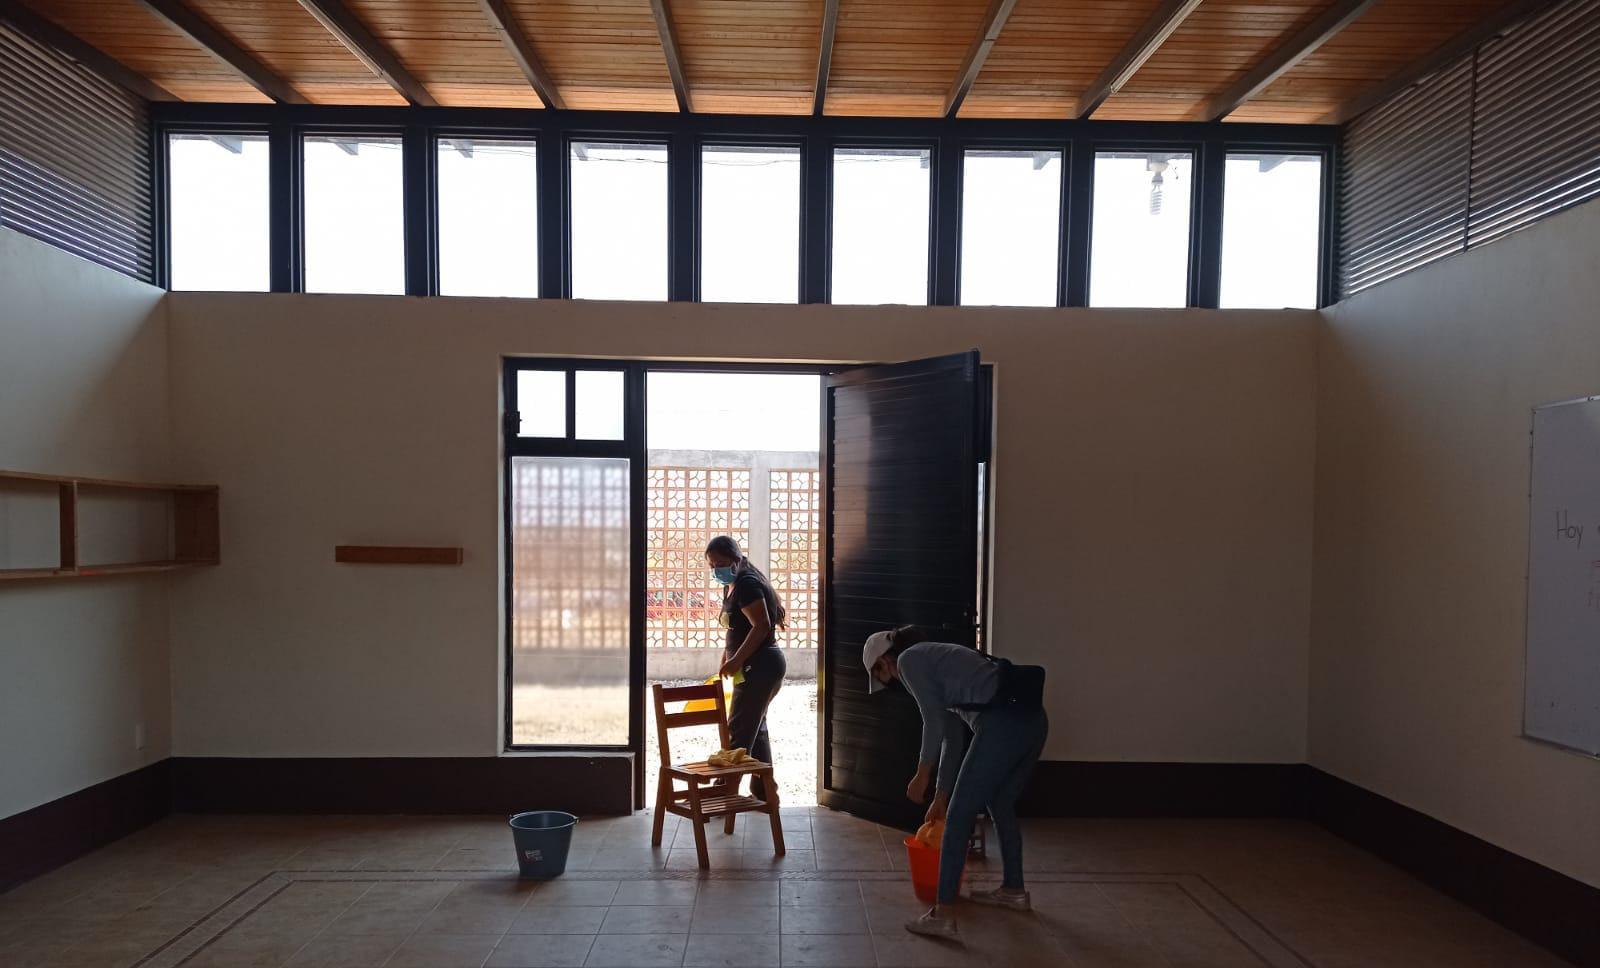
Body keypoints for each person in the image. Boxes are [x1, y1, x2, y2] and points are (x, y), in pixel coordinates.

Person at [862, 625, 1048, 940]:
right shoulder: (938, 662)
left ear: (883, 661)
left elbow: (933, 723)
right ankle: (1014, 890)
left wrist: (922, 774)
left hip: (1003, 723)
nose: (889, 682)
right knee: (1000, 802)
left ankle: (944, 914)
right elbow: (952, 737)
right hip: (1034, 721)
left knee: (960, 816)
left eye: (880, 674)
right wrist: (940, 796)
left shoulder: (908, 660)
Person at [705, 535, 787, 802]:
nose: (716, 570)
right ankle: (765, 791)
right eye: (712, 565)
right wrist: (726, 658)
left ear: (736, 560)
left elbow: (761, 626)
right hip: (757, 666)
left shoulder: (747, 584)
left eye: (720, 564)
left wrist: (737, 660)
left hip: (760, 666)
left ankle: (721, 792)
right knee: (755, 727)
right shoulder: (733, 584)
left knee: (739, 730)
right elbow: (736, 629)